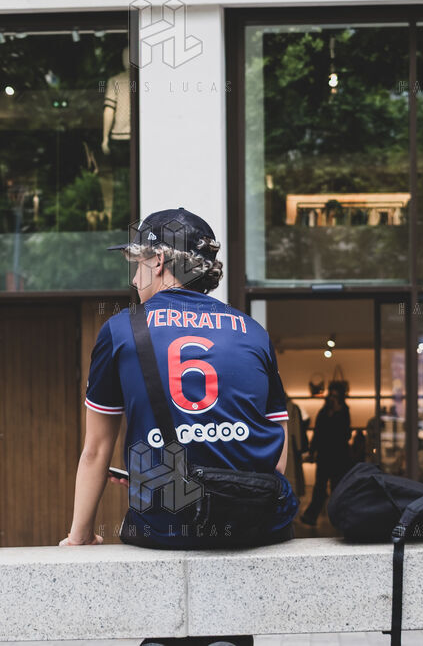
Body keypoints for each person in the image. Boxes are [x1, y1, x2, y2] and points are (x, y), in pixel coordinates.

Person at [60, 207, 297, 646]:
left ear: (159, 262)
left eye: (137, 264)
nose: (134, 279)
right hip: (250, 527)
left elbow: (95, 451)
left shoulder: (121, 329)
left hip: (164, 525)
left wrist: (80, 536)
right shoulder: (252, 330)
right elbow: (277, 449)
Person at [299, 381, 351, 526]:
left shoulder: (344, 412)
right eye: (331, 395)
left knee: (337, 488)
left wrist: (336, 413)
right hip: (324, 455)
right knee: (319, 487)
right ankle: (311, 515)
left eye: (335, 396)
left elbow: (345, 434)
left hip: (339, 456)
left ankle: (338, 517)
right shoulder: (323, 412)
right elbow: (317, 433)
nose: (332, 399)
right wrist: (312, 451)